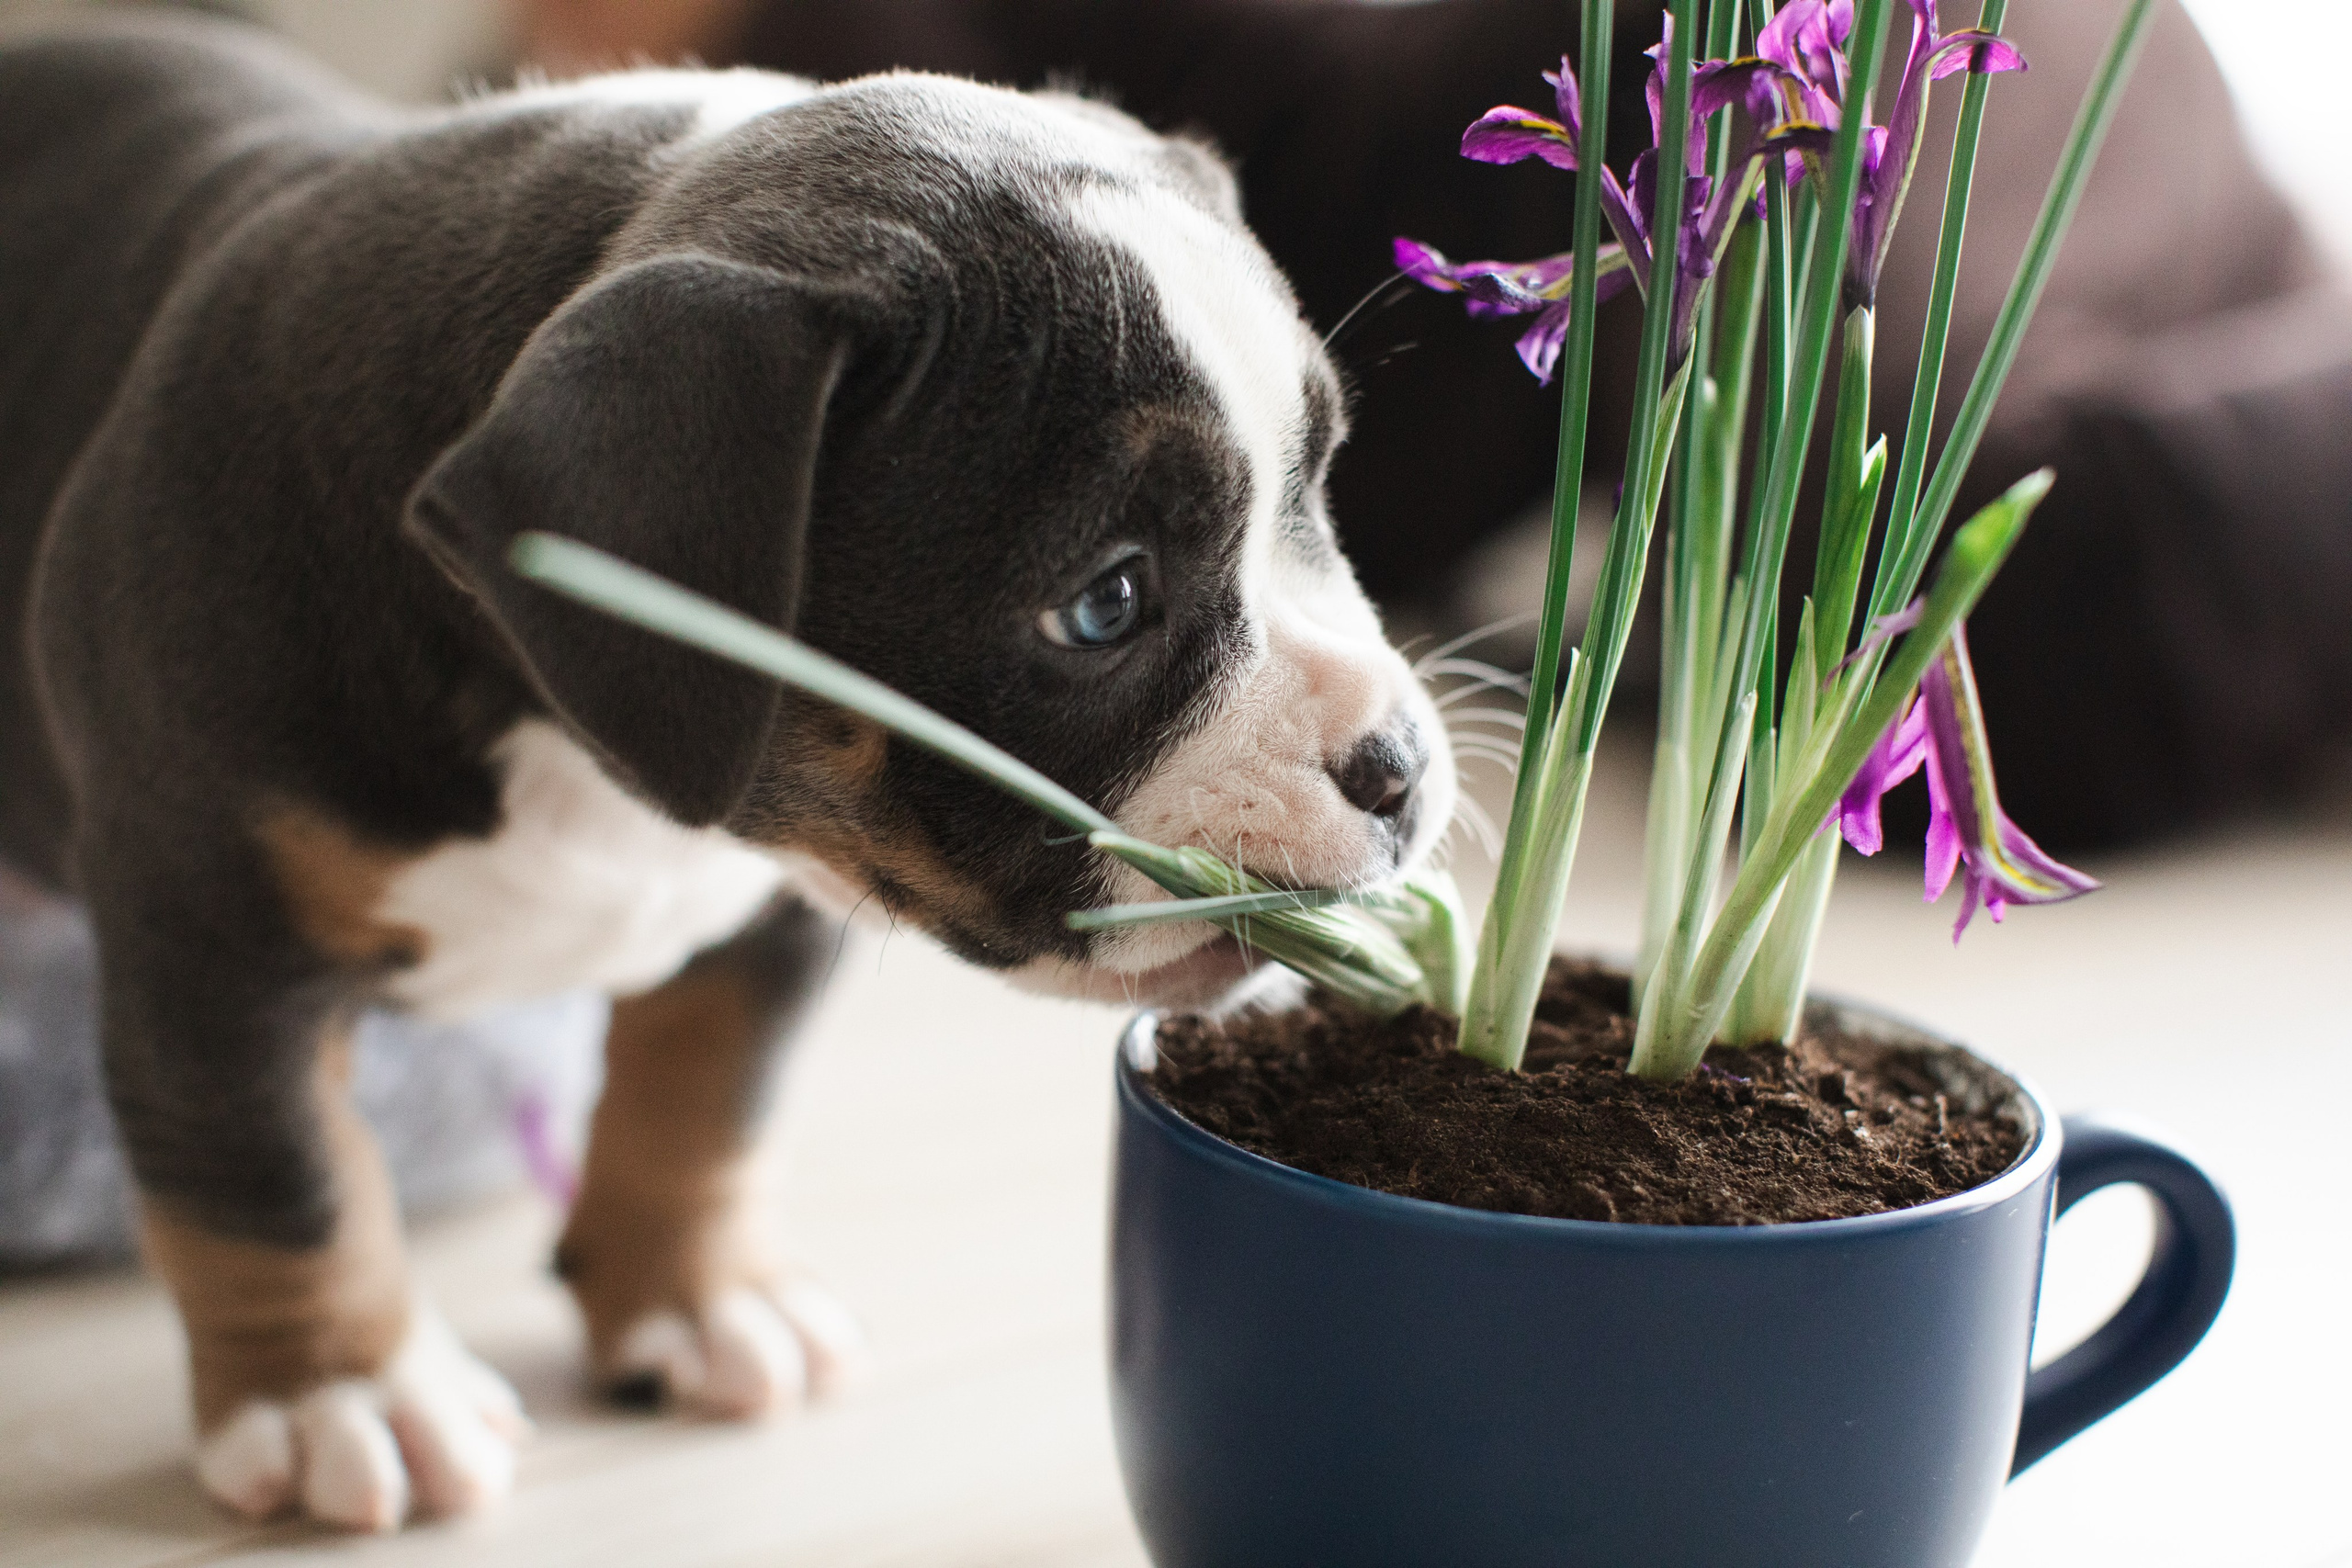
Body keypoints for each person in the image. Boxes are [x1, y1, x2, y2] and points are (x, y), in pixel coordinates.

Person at [515, 0, 2352, 850]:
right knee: (1946, 587)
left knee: (1952, 590)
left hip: (1799, 141)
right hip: (1756, 160)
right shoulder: (789, 194)